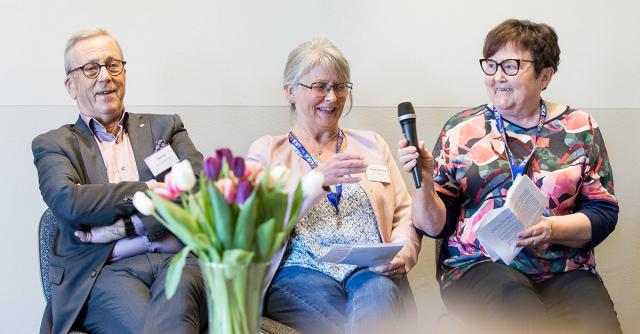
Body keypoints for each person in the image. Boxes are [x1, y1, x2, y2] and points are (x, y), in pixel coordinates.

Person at [398, 19, 621, 334]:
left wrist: (550, 228)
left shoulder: (580, 127)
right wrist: (422, 182)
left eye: (511, 66)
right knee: (521, 313)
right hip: (477, 266)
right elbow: (435, 226)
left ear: (545, 75)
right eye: (491, 65)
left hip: (564, 270)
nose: (498, 77)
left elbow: (603, 213)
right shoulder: (462, 129)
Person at [32, 29, 207, 334]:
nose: (104, 77)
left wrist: (126, 227)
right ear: (70, 85)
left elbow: (197, 186)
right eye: (90, 68)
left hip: (176, 258)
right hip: (102, 270)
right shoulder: (53, 144)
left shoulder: (166, 127)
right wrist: (150, 190)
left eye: (113, 65)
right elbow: (70, 203)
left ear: (124, 73)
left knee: (176, 318)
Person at [248, 38, 421, 334]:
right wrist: (316, 181)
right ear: (290, 92)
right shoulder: (267, 151)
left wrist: (403, 254)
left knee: (378, 296)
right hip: (299, 272)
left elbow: (404, 214)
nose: (332, 98)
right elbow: (254, 227)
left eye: (340, 87)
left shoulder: (372, 144)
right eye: (319, 87)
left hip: (369, 269)